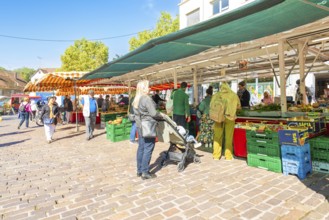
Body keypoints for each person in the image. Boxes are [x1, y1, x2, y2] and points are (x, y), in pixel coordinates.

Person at [133, 80, 162, 180]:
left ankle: (139, 170)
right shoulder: (146, 99)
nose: (149, 88)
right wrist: (161, 115)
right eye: (148, 86)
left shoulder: (137, 99)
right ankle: (145, 171)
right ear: (144, 88)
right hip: (148, 126)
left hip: (140, 126)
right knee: (148, 148)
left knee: (141, 147)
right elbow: (153, 113)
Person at [212, 82, 241, 160]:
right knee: (229, 137)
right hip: (230, 117)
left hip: (218, 117)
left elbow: (211, 106)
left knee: (217, 136)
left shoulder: (216, 95)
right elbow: (238, 107)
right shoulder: (234, 95)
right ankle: (228, 156)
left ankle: (216, 156)